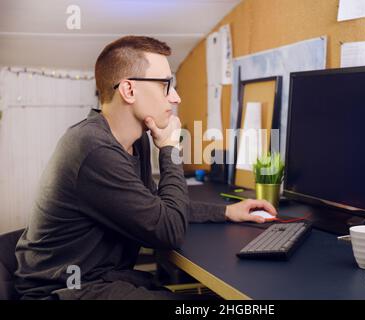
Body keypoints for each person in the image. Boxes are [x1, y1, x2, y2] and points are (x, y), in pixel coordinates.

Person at [14, 35, 277, 300]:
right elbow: (168, 231)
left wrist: (227, 211)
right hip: (62, 291)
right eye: (166, 85)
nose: (176, 97)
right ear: (129, 90)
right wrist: (170, 149)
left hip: (101, 277)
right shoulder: (94, 148)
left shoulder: (134, 139)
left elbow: (155, 206)